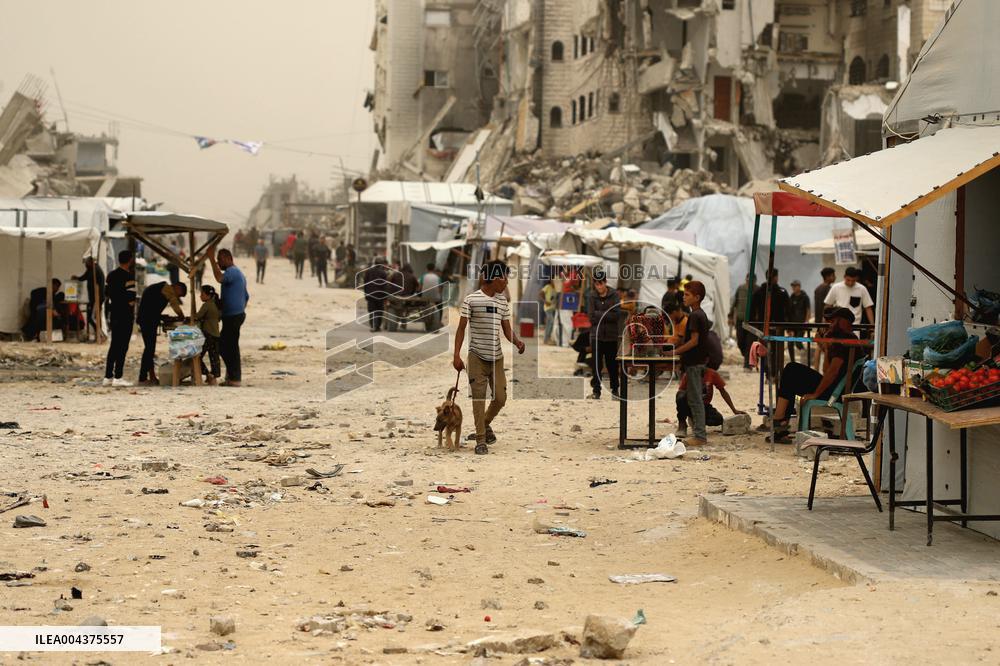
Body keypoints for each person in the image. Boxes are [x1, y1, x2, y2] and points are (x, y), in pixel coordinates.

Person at [453, 260, 525, 455]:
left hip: (496, 357)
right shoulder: (471, 300)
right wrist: (456, 355)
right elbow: (461, 329)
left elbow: (507, 330)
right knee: (478, 398)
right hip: (476, 357)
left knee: (500, 398)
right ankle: (481, 440)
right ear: (493, 278)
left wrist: (517, 342)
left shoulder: (502, 301)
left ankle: (483, 425)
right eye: (504, 278)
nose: (506, 283)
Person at [767, 307, 859, 443]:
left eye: (834, 321)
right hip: (836, 388)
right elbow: (827, 369)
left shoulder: (844, 340)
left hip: (835, 392)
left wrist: (815, 394)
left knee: (791, 370)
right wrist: (826, 347)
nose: (830, 325)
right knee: (791, 374)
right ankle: (781, 422)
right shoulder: (845, 339)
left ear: (843, 322)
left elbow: (832, 373)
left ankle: (780, 419)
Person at [670, 281, 710, 446]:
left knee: (695, 399)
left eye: (687, 295)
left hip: (695, 363)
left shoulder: (695, 316)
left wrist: (675, 352)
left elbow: (694, 341)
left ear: (697, 297)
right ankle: (698, 433)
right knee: (694, 398)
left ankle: (700, 436)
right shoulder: (699, 314)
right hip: (696, 362)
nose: (684, 298)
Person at [206, 247, 249, 386]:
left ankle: (234, 378)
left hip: (233, 316)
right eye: (217, 260)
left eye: (220, 260)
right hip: (235, 315)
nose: (218, 263)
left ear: (228, 259)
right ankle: (233, 377)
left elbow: (219, 278)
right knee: (231, 346)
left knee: (224, 346)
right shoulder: (238, 274)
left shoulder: (232, 272)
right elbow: (246, 296)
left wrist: (211, 259)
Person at [136, 281, 187, 385]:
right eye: (179, 294)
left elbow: (153, 305)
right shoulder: (166, 288)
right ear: (177, 287)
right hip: (147, 320)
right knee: (149, 349)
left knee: (150, 348)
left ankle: (151, 376)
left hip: (148, 319)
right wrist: (182, 317)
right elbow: (174, 305)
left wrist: (161, 316)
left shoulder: (160, 288)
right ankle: (142, 377)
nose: (177, 296)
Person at [675, 365, 745, 436]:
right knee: (681, 396)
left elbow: (723, 391)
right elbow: (681, 393)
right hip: (691, 405)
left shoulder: (712, 374)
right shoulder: (689, 374)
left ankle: (695, 420)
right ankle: (682, 425)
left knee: (718, 419)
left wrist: (734, 409)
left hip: (704, 405)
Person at [103, 251, 136, 387]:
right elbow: (131, 298)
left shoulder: (111, 275)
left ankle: (107, 377)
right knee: (123, 346)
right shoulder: (129, 277)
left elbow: (106, 293)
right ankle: (118, 376)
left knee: (114, 345)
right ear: (130, 260)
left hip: (114, 313)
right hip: (125, 315)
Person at [586, 272, 621, 400]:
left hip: (611, 336)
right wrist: (607, 313)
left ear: (605, 282)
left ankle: (615, 390)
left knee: (612, 364)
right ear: (594, 284)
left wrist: (599, 313)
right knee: (596, 365)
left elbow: (617, 315)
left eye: (601, 283)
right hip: (597, 336)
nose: (599, 286)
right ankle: (596, 391)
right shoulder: (591, 296)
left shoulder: (614, 295)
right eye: (596, 283)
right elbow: (591, 317)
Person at [750, 268, 790, 378]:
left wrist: (754, 323)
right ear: (776, 277)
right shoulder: (781, 291)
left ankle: (769, 373)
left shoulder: (759, 291)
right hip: (777, 326)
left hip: (765, 325)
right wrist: (789, 326)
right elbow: (789, 309)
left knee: (765, 349)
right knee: (776, 350)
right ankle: (775, 373)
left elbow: (752, 309)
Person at [72, 256, 105, 341]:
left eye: (86, 264)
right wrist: (77, 278)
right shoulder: (91, 269)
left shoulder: (96, 270)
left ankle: (101, 335)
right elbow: (83, 277)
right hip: (93, 298)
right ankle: (99, 335)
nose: (85, 266)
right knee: (92, 317)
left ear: (91, 262)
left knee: (92, 318)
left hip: (97, 298)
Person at [195, 285, 222, 385]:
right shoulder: (217, 304)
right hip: (216, 334)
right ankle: (214, 376)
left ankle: (207, 374)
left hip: (208, 334)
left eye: (202, 294)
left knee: (197, 356)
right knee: (214, 357)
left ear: (208, 295)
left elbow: (197, 316)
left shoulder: (207, 305)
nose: (200, 296)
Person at [787, 279, 811, 363]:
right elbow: (789, 311)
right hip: (792, 324)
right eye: (792, 286)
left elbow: (808, 310)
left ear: (799, 286)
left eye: (795, 286)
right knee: (790, 344)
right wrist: (788, 327)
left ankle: (805, 356)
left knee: (798, 342)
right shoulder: (791, 297)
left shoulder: (805, 297)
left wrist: (806, 322)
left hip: (801, 324)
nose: (793, 287)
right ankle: (792, 361)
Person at [731, 274, 752, 369]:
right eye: (747, 279)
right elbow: (735, 302)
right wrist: (730, 316)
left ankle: (747, 364)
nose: (748, 281)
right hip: (740, 320)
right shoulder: (740, 288)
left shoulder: (756, 289)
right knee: (740, 341)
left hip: (752, 321)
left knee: (749, 343)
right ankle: (748, 357)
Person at [362, 258, 388, 332]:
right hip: (380, 295)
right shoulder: (383, 273)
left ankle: (373, 326)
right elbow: (384, 286)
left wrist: (366, 293)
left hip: (370, 294)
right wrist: (385, 296)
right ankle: (377, 326)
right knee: (379, 310)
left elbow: (365, 283)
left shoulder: (368, 271)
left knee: (372, 310)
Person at [420, 263, 443, 331]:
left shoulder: (423, 276)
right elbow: (440, 289)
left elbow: (420, 287)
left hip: (425, 297)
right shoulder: (438, 278)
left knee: (423, 305)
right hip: (435, 298)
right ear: (434, 269)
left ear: (426, 269)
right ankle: (439, 321)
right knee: (440, 306)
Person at [539, 277, 558, 345]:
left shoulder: (555, 288)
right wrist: (545, 301)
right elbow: (540, 293)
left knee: (550, 323)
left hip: (553, 308)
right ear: (551, 280)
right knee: (551, 321)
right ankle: (547, 339)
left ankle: (547, 338)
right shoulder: (548, 286)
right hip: (548, 308)